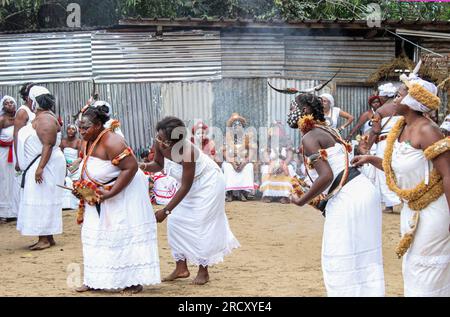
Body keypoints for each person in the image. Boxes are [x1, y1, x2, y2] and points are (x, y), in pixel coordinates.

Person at [352, 73, 450, 297]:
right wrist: (370, 159)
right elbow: (395, 166)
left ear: (413, 101)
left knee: (428, 271)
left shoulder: (427, 130)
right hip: (411, 210)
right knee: (412, 268)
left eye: (399, 95)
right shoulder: (401, 128)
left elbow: (448, 174)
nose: (395, 100)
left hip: (435, 212)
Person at [289, 93, 385, 297]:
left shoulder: (309, 137)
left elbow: (326, 176)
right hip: (363, 190)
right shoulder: (326, 129)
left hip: (349, 198)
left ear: (305, 111)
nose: (290, 112)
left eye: (293, 108)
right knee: (364, 258)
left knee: (338, 257)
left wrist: (301, 200)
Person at [140, 116, 240, 285]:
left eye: (164, 139)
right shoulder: (159, 142)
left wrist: (165, 210)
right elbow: (157, 164)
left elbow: (185, 186)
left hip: (209, 183)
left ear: (175, 141)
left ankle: (203, 270)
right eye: (158, 137)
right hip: (189, 184)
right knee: (175, 221)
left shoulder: (188, 151)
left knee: (201, 224)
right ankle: (181, 268)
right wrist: (141, 166)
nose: (159, 141)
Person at [74, 105, 160, 293]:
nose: (81, 132)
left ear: (97, 125)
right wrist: (82, 190)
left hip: (123, 194)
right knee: (93, 235)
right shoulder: (87, 140)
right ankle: (94, 279)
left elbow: (131, 168)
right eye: (79, 127)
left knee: (121, 234)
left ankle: (132, 281)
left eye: (85, 128)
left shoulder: (113, 141)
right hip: (97, 196)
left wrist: (112, 193)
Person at [16, 86, 66, 250]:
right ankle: (47, 236)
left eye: (29, 99)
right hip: (43, 162)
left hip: (46, 163)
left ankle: (44, 239)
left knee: (42, 197)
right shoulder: (44, 117)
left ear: (34, 101)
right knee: (43, 197)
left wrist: (40, 168)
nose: (28, 102)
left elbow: (48, 144)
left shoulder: (45, 119)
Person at [366, 83, 402, 213]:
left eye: (379, 97)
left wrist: (368, 146)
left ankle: (389, 205)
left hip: (385, 143)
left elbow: (375, 130)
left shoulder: (381, 111)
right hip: (400, 142)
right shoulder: (404, 107)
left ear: (383, 97)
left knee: (384, 171)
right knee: (399, 169)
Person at [222, 113, 257, 202]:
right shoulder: (227, 137)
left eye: (239, 125)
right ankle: (229, 193)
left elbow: (252, 151)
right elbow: (225, 152)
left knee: (249, 167)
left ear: (243, 127)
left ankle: (243, 192)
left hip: (244, 161)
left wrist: (244, 163)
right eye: (235, 125)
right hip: (231, 161)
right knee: (227, 167)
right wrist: (233, 163)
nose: (237, 127)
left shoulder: (247, 137)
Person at [259, 121, 293, 204]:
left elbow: (289, 156)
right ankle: (268, 195)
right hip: (271, 163)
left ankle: (285, 196)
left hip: (284, 163)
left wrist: (283, 165)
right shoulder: (268, 140)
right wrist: (271, 163)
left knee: (290, 169)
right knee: (266, 169)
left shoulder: (287, 140)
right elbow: (265, 154)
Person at [0, 96, 17, 223]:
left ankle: (15, 210)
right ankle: (4, 212)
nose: (9, 105)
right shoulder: (2, 119)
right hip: (4, 153)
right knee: (4, 179)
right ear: (3, 106)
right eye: (6, 103)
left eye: (11, 102)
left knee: (16, 179)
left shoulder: (20, 118)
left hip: (17, 152)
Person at [60, 124, 82, 210]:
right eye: (69, 129)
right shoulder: (63, 142)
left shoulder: (78, 142)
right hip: (65, 166)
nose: (70, 131)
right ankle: (65, 205)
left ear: (76, 131)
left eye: (73, 129)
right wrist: (64, 165)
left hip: (75, 166)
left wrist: (73, 166)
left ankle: (76, 204)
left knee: (75, 184)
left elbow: (80, 157)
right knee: (65, 182)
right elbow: (60, 155)